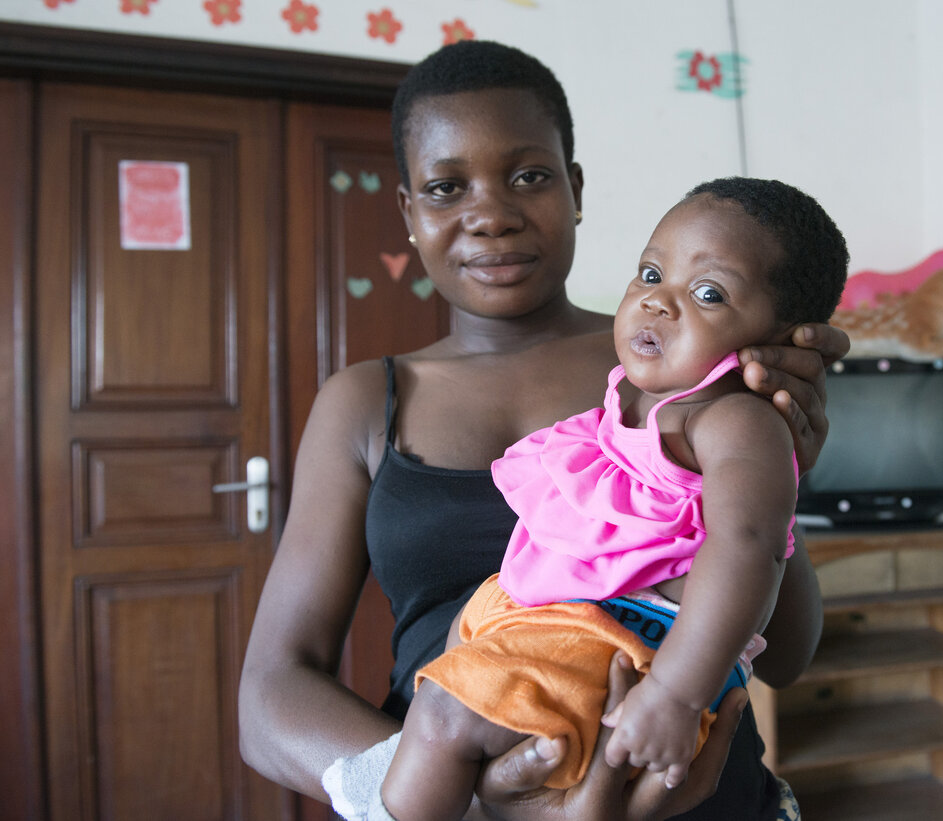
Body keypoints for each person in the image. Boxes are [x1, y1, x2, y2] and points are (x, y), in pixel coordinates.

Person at [238, 40, 851, 821]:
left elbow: (787, 657)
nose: (490, 214)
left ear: (576, 188)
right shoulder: (365, 401)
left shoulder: (683, 374)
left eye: (529, 175)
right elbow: (269, 696)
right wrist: (475, 800)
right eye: (445, 186)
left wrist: (782, 471)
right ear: (409, 213)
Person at [377, 176, 848, 821]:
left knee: (437, 726)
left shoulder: (732, 421)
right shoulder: (629, 397)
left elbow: (751, 547)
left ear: (782, 338)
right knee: (431, 731)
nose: (659, 303)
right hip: (563, 631)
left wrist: (678, 696)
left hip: (633, 644)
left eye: (707, 293)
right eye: (651, 273)